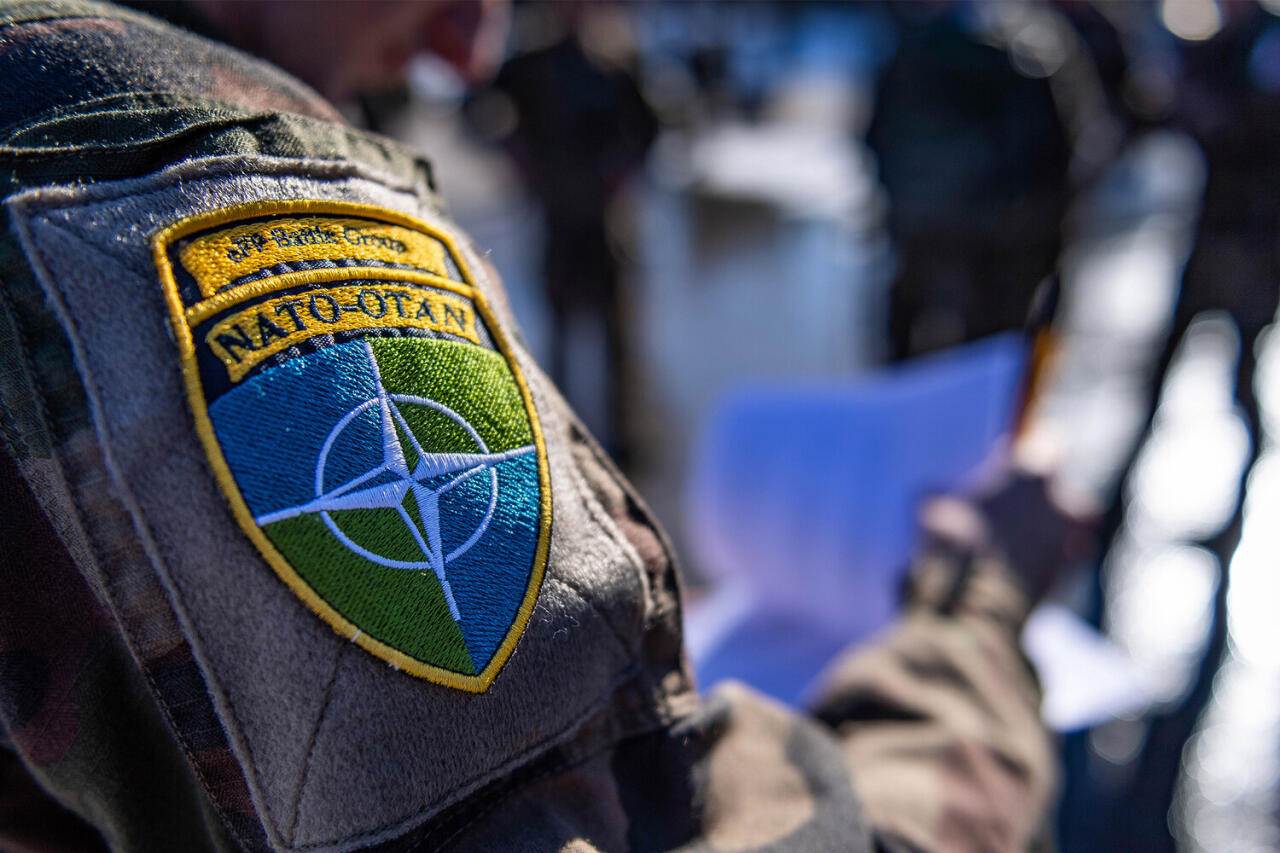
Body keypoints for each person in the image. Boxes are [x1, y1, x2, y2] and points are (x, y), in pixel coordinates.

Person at [0, 2, 1077, 851]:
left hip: (596, 224)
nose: (468, 45)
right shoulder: (163, 178)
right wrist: (970, 620)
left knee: (603, 336)